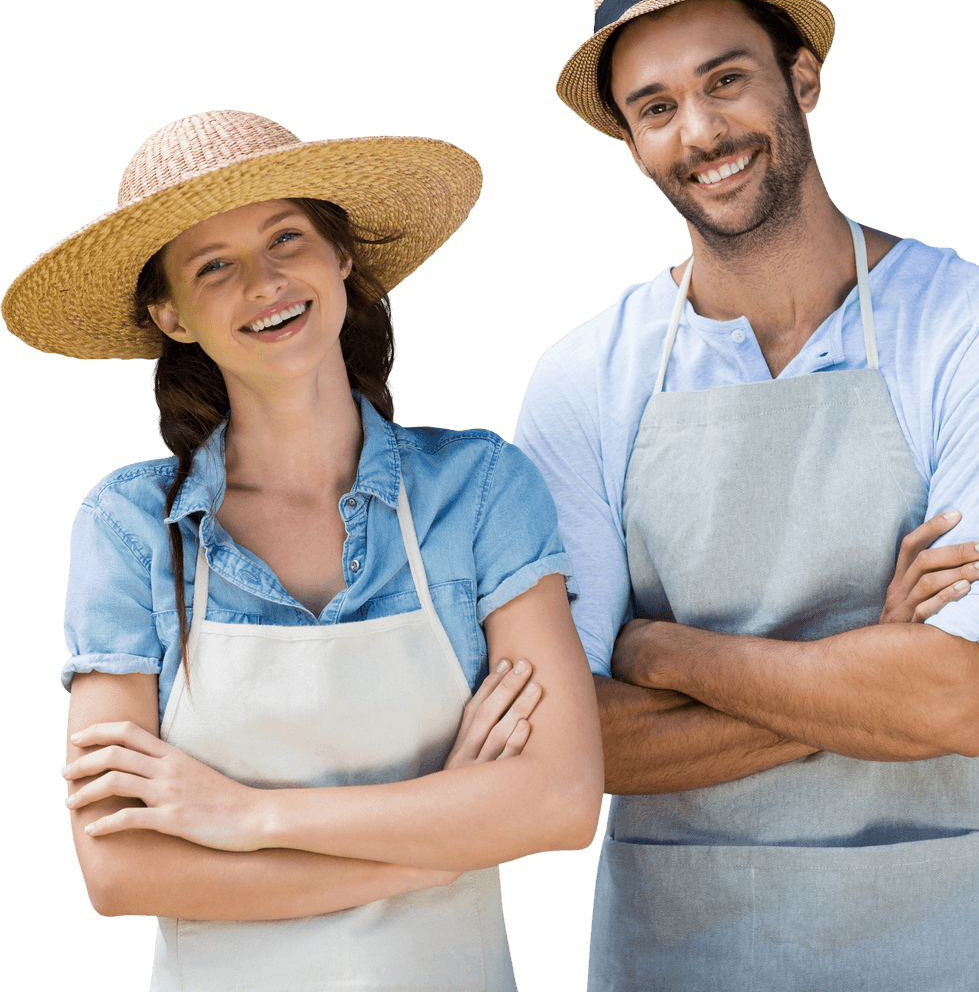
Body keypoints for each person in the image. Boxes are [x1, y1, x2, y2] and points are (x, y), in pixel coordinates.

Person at [513, 0, 979, 990]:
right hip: (682, 946)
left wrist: (656, 653)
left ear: (801, 76)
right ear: (629, 143)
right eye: (656, 107)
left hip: (940, 939)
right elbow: (561, 749)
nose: (700, 131)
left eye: (725, 79)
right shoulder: (584, 379)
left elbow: (956, 702)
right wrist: (871, 661)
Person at [1, 109, 605, 992]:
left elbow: (559, 802)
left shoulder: (478, 489)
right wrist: (432, 853)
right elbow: (120, 871)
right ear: (170, 315)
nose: (266, 281)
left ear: (342, 257)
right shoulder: (130, 526)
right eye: (215, 266)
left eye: (287, 237)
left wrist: (242, 815)